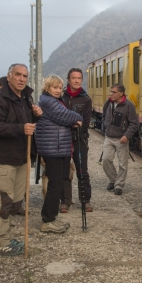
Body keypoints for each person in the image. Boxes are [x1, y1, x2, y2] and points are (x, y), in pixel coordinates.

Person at [0, 63, 43, 256]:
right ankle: (0, 241)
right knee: (5, 200)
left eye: (25, 76)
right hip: (4, 158)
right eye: (17, 75)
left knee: (17, 202)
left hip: (22, 157)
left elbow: (28, 125)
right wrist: (20, 128)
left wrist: (37, 117)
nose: (21, 79)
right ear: (9, 76)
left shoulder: (25, 97)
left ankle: (6, 236)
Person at [36, 75, 83, 233]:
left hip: (58, 147)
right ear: (47, 87)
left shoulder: (55, 101)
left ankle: (51, 217)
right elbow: (66, 116)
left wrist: (73, 120)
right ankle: (47, 220)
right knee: (55, 184)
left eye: (60, 87)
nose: (58, 90)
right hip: (52, 148)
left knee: (58, 183)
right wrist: (78, 118)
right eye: (55, 87)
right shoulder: (48, 101)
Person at [61, 68, 93, 213]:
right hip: (63, 139)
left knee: (82, 171)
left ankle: (85, 200)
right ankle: (65, 201)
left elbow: (85, 122)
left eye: (79, 78)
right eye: (74, 78)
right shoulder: (61, 96)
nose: (77, 80)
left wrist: (76, 127)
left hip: (80, 139)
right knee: (65, 171)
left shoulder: (86, 99)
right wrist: (72, 123)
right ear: (68, 80)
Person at [101, 83, 139, 195]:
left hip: (121, 138)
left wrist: (127, 135)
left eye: (113, 92)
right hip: (109, 137)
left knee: (123, 164)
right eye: (111, 91)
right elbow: (104, 116)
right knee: (106, 160)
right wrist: (105, 127)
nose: (111, 94)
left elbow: (134, 123)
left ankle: (119, 186)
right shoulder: (108, 103)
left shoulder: (129, 105)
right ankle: (113, 180)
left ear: (121, 93)